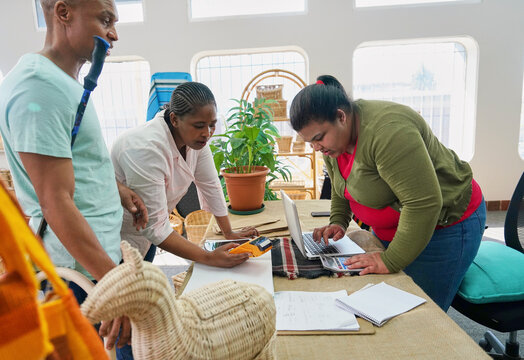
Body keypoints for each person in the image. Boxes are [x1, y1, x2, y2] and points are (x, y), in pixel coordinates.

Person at [0, 0, 148, 353]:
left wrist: (117, 190)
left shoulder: (62, 82)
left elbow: (73, 162)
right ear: (64, 13)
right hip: (77, 270)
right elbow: (54, 201)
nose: (114, 33)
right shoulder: (39, 87)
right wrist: (114, 285)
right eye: (105, 19)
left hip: (93, 258)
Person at [289, 75, 486, 311]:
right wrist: (338, 222)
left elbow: (423, 204)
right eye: (310, 142)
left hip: (445, 226)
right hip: (399, 228)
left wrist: (390, 260)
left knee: (419, 312)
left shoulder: (388, 132)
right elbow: (341, 186)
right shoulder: (333, 142)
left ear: (341, 116)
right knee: (385, 303)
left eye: (318, 139)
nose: (316, 147)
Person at [111, 81, 259, 268]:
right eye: (199, 125)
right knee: (108, 291)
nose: (207, 133)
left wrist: (228, 232)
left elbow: (210, 185)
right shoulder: (146, 148)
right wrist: (208, 257)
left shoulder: (195, 140)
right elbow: (156, 228)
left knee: (137, 286)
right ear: (174, 119)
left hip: (144, 237)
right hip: (113, 237)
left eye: (212, 125)